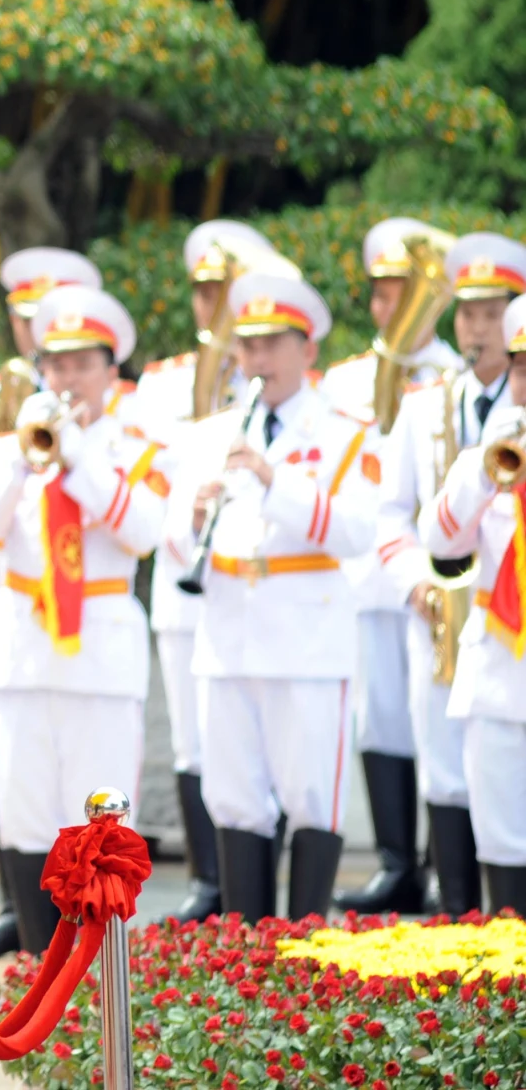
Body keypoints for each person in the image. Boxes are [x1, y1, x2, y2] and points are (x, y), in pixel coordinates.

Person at [166, 269, 377, 921]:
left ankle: (304, 948)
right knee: (233, 797)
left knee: (311, 794)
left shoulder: (344, 432)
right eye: (247, 347)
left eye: (271, 345)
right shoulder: (209, 435)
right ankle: (248, 957)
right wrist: (195, 520)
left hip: (305, 638)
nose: (257, 360)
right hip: (227, 636)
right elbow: (170, 538)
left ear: (307, 351)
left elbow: (356, 530)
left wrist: (272, 478)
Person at [0, 286, 164, 953]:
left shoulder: (134, 449)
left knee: (98, 821)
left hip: (98, 656)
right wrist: (22, 461)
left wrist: (76, 456)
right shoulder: (11, 447)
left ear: (112, 371)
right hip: (22, 653)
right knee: (23, 819)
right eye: (55, 364)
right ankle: (35, 961)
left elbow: (141, 530)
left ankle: (93, 972)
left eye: (82, 363)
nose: (66, 377)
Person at [131, 217, 288, 921]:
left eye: (224, 292)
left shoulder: (282, 379)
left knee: (263, 732)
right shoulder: (163, 382)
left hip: (255, 582)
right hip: (183, 573)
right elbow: (147, 470)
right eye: (203, 293)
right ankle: (207, 880)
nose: (212, 308)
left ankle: (260, 884)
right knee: (195, 737)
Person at [0, 246, 102, 958]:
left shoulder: (117, 424)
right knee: (12, 784)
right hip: (12, 609)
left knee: (86, 805)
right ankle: (24, 924)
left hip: (88, 627)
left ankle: (81, 959)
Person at [374, 232, 526, 916]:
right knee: (448, 767)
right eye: (464, 313)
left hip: (498, 617)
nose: (475, 327)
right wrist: (415, 583)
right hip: (445, 620)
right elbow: (402, 519)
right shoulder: (423, 405)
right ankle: (458, 916)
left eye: (490, 313)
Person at [320, 218, 465, 915]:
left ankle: (445, 866)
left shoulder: (451, 376)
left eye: (400, 293)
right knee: (380, 720)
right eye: (379, 295)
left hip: (432, 578)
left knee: (437, 717)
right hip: (364, 572)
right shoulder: (345, 378)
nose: (388, 308)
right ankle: (393, 861)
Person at [417, 292, 526, 914]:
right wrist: (486, 468)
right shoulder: (487, 460)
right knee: (503, 842)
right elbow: (441, 540)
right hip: (497, 674)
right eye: (521, 368)